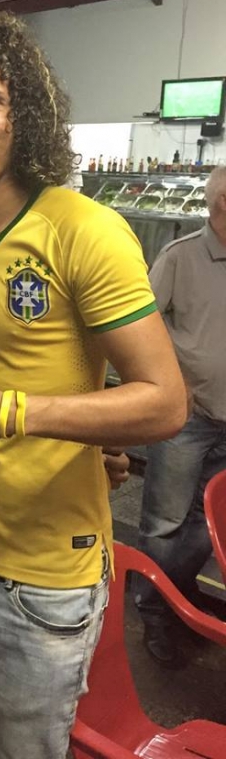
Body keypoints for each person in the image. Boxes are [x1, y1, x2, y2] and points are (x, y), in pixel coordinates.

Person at [0, 5, 187, 759]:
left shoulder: (83, 229)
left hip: (49, 575)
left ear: (23, 113)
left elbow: (164, 402)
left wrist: (17, 414)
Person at [136, 164, 226, 668]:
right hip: (187, 419)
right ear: (223, 203)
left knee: (204, 522)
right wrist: (176, 382)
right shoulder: (180, 256)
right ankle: (154, 612)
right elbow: (142, 326)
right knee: (165, 522)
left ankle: (180, 598)